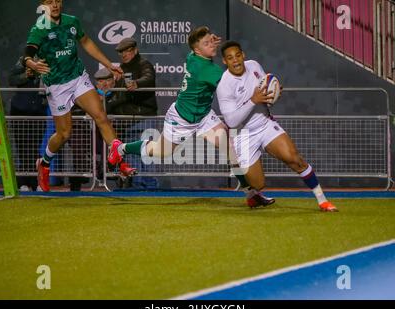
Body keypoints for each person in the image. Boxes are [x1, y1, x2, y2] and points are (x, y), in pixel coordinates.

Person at [117, 26, 271, 207]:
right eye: (206, 44)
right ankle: (121, 148)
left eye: (211, 41)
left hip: (204, 116)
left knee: (230, 149)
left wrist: (207, 41)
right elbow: (234, 87)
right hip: (182, 119)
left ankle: (250, 194)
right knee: (161, 151)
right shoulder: (208, 71)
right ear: (197, 49)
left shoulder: (192, 56)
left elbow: (202, 48)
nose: (212, 45)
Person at [23, 0, 135, 192]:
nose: (55, 5)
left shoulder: (72, 21)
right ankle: (44, 162)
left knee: (101, 116)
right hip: (57, 85)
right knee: (64, 134)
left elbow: (86, 42)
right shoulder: (39, 29)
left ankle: (120, 161)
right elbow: (28, 53)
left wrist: (108, 64)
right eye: (50, 2)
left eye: (58, 1)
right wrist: (30, 63)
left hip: (77, 77)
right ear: (43, 5)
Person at [216, 41, 338, 212]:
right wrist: (253, 101)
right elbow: (231, 122)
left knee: (295, 159)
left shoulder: (254, 65)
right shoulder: (224, 86)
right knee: (258, 184)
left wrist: (274, 92)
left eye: (237, 55)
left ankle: (322, 200)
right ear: (224, 61)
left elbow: (266, 89)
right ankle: (249, 190)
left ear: (243, 55)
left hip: (265, 124)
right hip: (243, 135)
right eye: (230, 58)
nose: (235, 60)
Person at [8, 56, 47, 191]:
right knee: (22, 147)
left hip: (38, 110)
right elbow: (11, 79)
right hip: (20, 110)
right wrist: (26, 74)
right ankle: (23, 183)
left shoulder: (52, 59)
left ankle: (34, 182)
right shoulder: (25, 59)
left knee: (34, 147)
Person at [113, 37, 158, 116]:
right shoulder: (122, 67)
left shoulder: (144, 64)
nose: (124, 55)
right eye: (121, 52)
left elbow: (148, 77)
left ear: (135, 50)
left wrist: (137, 83)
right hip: (126, 114)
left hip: (142, 113)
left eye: (127, 51)